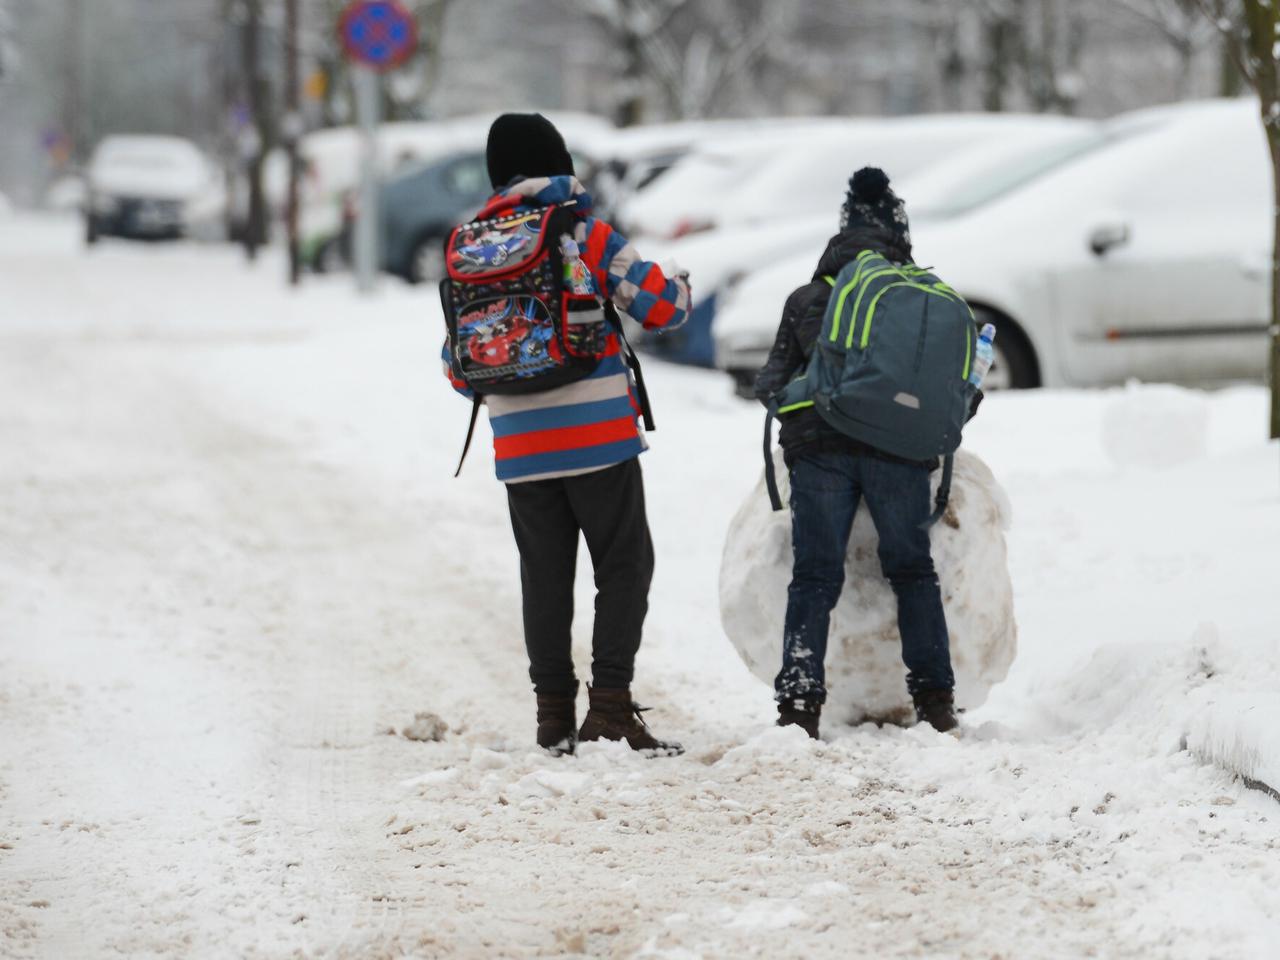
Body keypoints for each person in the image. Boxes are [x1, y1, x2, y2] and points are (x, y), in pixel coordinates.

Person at [443, 113, 691, 757]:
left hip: (518, 445)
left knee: (545, 577)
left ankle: (552, 716)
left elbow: (458, 366)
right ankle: (609, 707)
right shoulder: (583, 231)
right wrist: (682, 284)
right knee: (624, 565)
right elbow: (659, 307)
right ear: (559, 165)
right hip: (598, 436)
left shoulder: (473, 245)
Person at [753, 167, 970, 739]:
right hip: (897, 452)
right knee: (912, 570)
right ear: (900, 237)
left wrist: (810, 397)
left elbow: (769, 382)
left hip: (819, 451)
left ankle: (799, 706)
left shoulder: (807, 298)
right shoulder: (917, 301)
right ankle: (935, 701)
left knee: (815, 576)